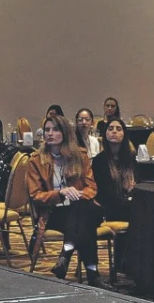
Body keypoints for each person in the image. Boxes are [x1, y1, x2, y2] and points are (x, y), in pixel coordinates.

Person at [27, 114, 105, 286]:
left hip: (80, 208)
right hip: (54, 213)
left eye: (55, 130)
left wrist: (76, 194)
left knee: (83, 211)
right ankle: (93, 274)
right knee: (86, 223)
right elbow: (36, 196)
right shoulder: (36, 161)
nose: (50, 133)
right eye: (47, 130)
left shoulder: (80, 157)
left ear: (65, 133)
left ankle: (66, 253)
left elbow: (91, 188)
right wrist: (60, 193)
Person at [92, 118, 137, 222]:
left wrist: (132, 189)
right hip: (108, 206)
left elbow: (137, 183)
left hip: (128, 202)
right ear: (105, 134)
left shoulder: (131, 159)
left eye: (118, 129)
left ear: (124, 134)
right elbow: (102, 192)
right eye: (110, 128)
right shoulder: (99, 160)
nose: (114, 131)